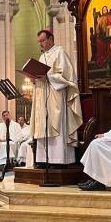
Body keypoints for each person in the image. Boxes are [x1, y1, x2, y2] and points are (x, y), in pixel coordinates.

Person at [30, 29, 82, 168]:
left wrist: (48, 77)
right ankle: (43, 160)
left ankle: (58, 161)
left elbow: (67, 77)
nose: (40, 44)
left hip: (56, 97)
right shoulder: (42, 57)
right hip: (43, 97)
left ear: (51, 38)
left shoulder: (60, 52)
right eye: (39, 42)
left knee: (55, 125)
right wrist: (33, 79)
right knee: (43, 126)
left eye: (43, 40)